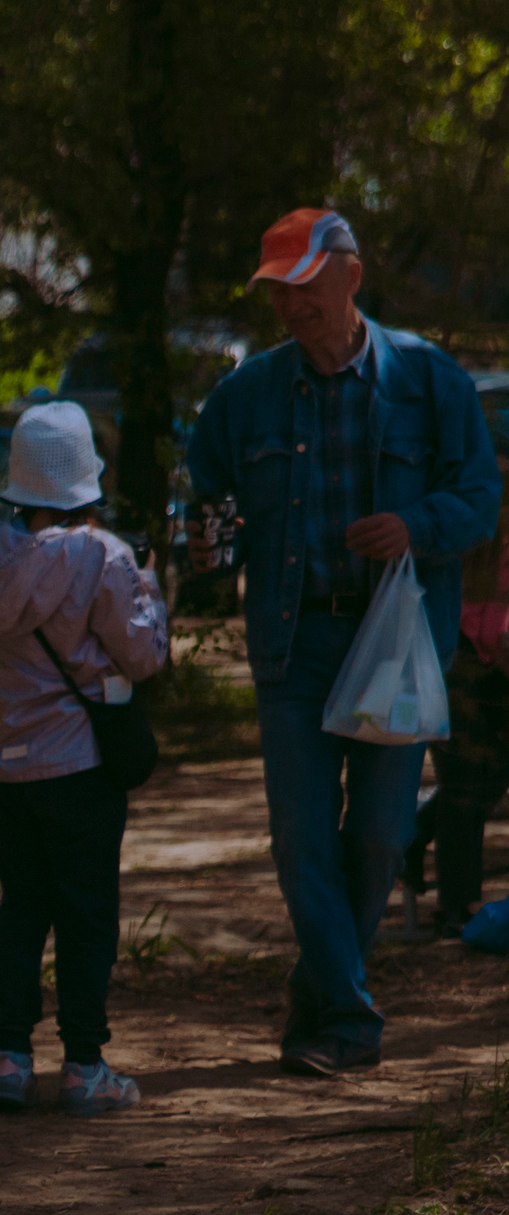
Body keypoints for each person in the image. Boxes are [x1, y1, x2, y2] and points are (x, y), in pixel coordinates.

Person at [187, 209, 502, 1075]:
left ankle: (320, 995)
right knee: (300, 838)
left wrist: (415, 525)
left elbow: (480, 499)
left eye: (305, 286)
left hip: (396, 645)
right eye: (277, 292)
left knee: (380, 838)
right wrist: (206, 544)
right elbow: (206, 504)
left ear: (349, 276)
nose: (291, 306)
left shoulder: (429, 379)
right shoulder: (245, 395)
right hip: (293, 645)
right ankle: (352, 1020)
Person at [0, 403, 170, 1117]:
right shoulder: (102, 556)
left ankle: (9, 1059)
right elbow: (143, 656)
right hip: (78, 764)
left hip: (4, 765)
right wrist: (151, 584)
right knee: (86, 914)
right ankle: (84, 1065)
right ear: (86, 476)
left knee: (21, 906)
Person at [415, 412, 509, 935]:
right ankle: (456, 904)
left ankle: (414, 836)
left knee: (485, 779)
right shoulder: (469, 507)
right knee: (466, 785)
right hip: (462, 660)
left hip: (483, 655)